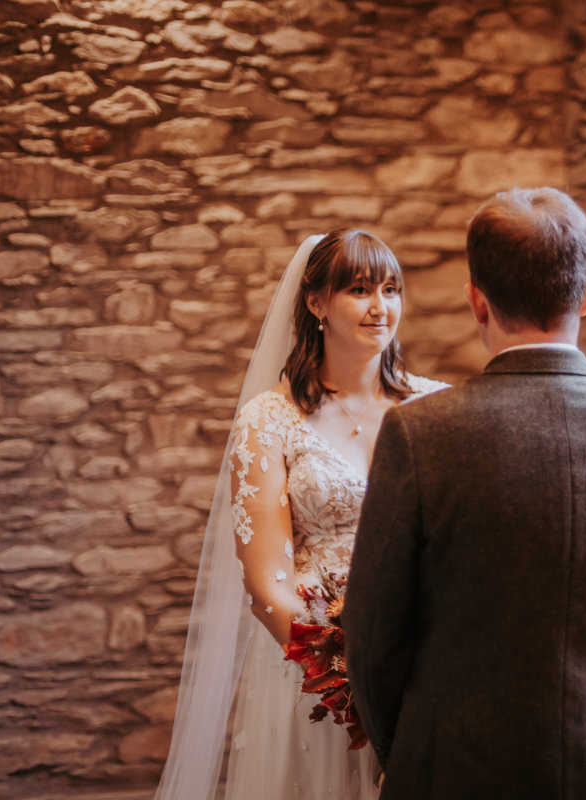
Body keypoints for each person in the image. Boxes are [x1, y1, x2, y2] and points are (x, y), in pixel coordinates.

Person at [342, 187, 586, 800]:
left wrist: (414, 748)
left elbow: (372, 637)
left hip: (453, 768)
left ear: (476, 303)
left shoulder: (421, 434)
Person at [154, 229, 446, 800]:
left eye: (391, 289)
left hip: (424, 670)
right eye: (359, 290)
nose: (380, 307)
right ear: (316, 303)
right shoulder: (270, 422)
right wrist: (346, 677)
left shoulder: (439, 408)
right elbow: (267, 586)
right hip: (318, 673)